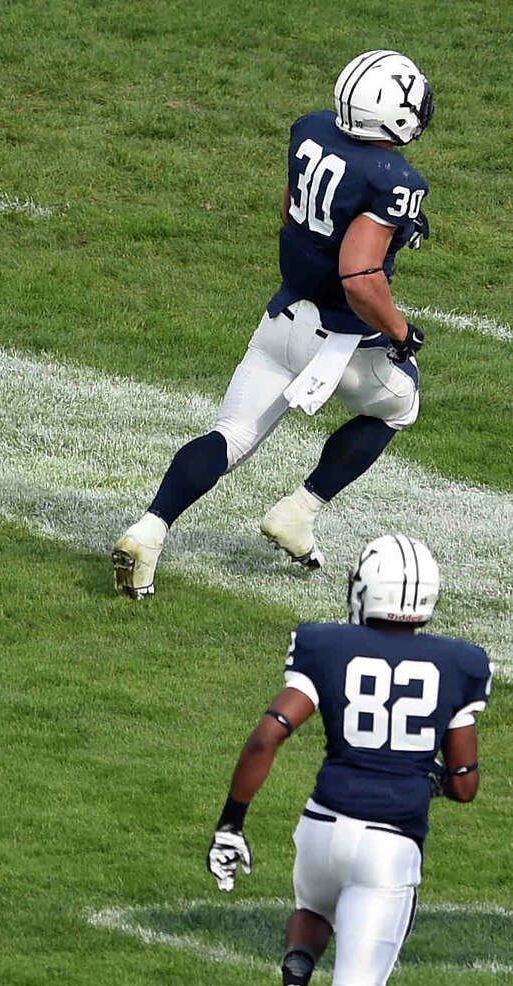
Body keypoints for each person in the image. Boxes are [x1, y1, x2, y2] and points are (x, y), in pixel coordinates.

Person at [112, 50, 435, 599]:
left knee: (228, 436)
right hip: (339, 341)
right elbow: (359, 277)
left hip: (283, 318)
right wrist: (403, 333)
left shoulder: (311, 131)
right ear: (395, 115)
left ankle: (148, 531)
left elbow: (294, 210)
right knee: (400, 406)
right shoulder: (394, 178)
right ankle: (299, 511)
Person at [206, 535, 491, 986]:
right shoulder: (460, 662)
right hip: (389, 848)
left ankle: (295, 978)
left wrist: (231, 823)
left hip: (321, 827)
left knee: (313, 906)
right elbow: (465, 784)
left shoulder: (326, 645)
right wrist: (428, 777)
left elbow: (268, 735)